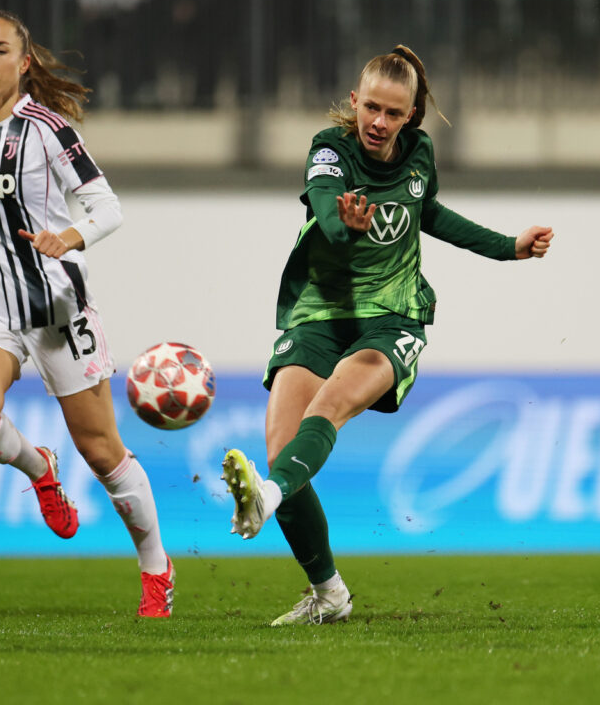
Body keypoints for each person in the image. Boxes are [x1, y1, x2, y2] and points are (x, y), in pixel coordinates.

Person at [221, 45, 554, 626]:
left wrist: (508, 247)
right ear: (354, 101)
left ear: (411, 116)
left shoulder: (420, 154)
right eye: (371, 107)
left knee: (326, 409)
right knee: (280, 452)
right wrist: (345, 228)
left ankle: (266, 498)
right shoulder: (330, 150)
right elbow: (327, 212)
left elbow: (430, 213)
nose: (378, 121)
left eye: (393, 113)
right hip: (321, 311)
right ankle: (329, 594)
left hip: (392, 316)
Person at [0, 10, 174, 617]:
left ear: (23, 62)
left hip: (56, 310)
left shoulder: (49, 130)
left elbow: (107, 207)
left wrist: (69, 238)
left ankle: (156, 568)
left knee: (102, 451)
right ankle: (39, 468)